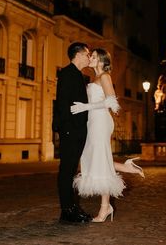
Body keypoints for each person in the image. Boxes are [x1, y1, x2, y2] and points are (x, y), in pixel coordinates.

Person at [71, 48, 145, 223]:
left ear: (102, 61)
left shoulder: (104, 76)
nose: (91, 58)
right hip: (92, 121)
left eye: (94, 56)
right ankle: (125, 167)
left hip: (101, 121)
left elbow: (111, 101)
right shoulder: (94, 77)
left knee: (98, 158)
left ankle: (105, 207)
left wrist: (85, 107)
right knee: (93, 158)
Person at [52, 42, 92, 223]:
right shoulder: (68, 73)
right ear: (78, 54)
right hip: (71, 131)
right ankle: (67, 210)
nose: (89, 57)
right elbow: (62, 103)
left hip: (76, 130)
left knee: (70, 170)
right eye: (87, 54)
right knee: (67, 171)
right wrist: (67, 130)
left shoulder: (77, 75)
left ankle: (71, 207)